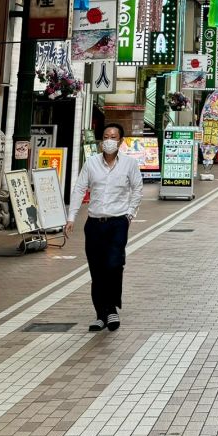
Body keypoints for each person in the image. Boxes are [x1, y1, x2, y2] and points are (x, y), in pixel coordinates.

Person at [66, 122, 143, 332]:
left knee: (114, 265)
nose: (109, 141)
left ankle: (111, 309)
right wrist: (71, 217)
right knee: (97, 269)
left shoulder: (129, 164)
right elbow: (79, 189)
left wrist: (130, 214)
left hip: (118, 222)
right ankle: (101, 314)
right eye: (106, 136)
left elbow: (137, 189)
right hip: (94, 224)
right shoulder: (91, 163)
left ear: (121, 141)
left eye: (113, 137)